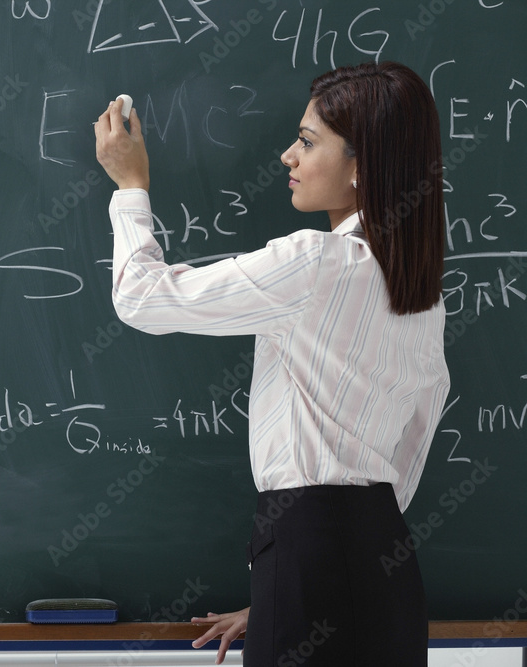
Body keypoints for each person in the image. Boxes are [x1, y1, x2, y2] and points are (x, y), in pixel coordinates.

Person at [94, 62, 451, 666]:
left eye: (308, 142)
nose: (288, 155)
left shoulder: (313, 262)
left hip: (310, 549)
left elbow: (140, 298)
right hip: (383, 565)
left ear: (362, 166)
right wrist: (290, 586)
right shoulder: (421, 290)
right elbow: (416, 433)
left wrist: (130, 187)